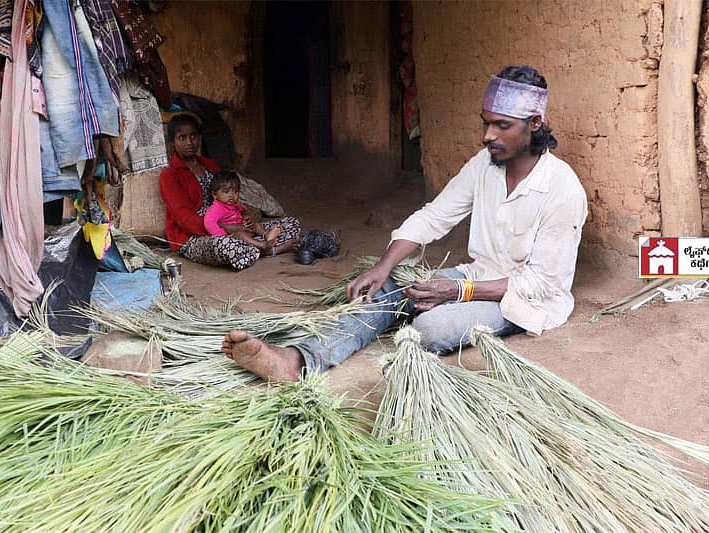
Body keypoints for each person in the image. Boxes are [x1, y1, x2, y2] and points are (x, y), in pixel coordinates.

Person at [223, 65, 588, 380]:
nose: (487, 135)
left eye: (501, 125)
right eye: (486, 123)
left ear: (535, 123)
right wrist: (385, 265)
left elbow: (541, 284)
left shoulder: (561, 189)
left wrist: (457, 292)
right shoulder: (483, 165)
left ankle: (439, 313)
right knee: (384, 288)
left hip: (524, 302)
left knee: (432, 327)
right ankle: (298, 360)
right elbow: (435, 216)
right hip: (477, 275)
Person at [160, 114, 301, 270]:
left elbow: (228, 199)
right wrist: (226, 228)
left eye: (193, 136)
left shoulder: (209, 165)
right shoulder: (170, 175)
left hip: (233, 225)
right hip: (196, 236)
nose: (189, 142)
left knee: (291, 223)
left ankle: (255, 247)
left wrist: (244, 218)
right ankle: (270, 249)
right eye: (182, 138)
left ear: (200, 137)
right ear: (173, 142)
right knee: (225, 245)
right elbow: (183, 218)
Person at [204, 170, 283, 256]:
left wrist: (246, 217)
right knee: (240, 235)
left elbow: (244, 211)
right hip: (232, 236)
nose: (231, 195)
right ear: (215, 195)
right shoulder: (215, 209)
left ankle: (267, 235)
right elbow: (209, 223)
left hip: (245, 230)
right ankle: (262, 245)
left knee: (256, 225)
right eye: (226, 192)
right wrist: (222, 236)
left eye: (235, 191)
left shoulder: (235, 204)